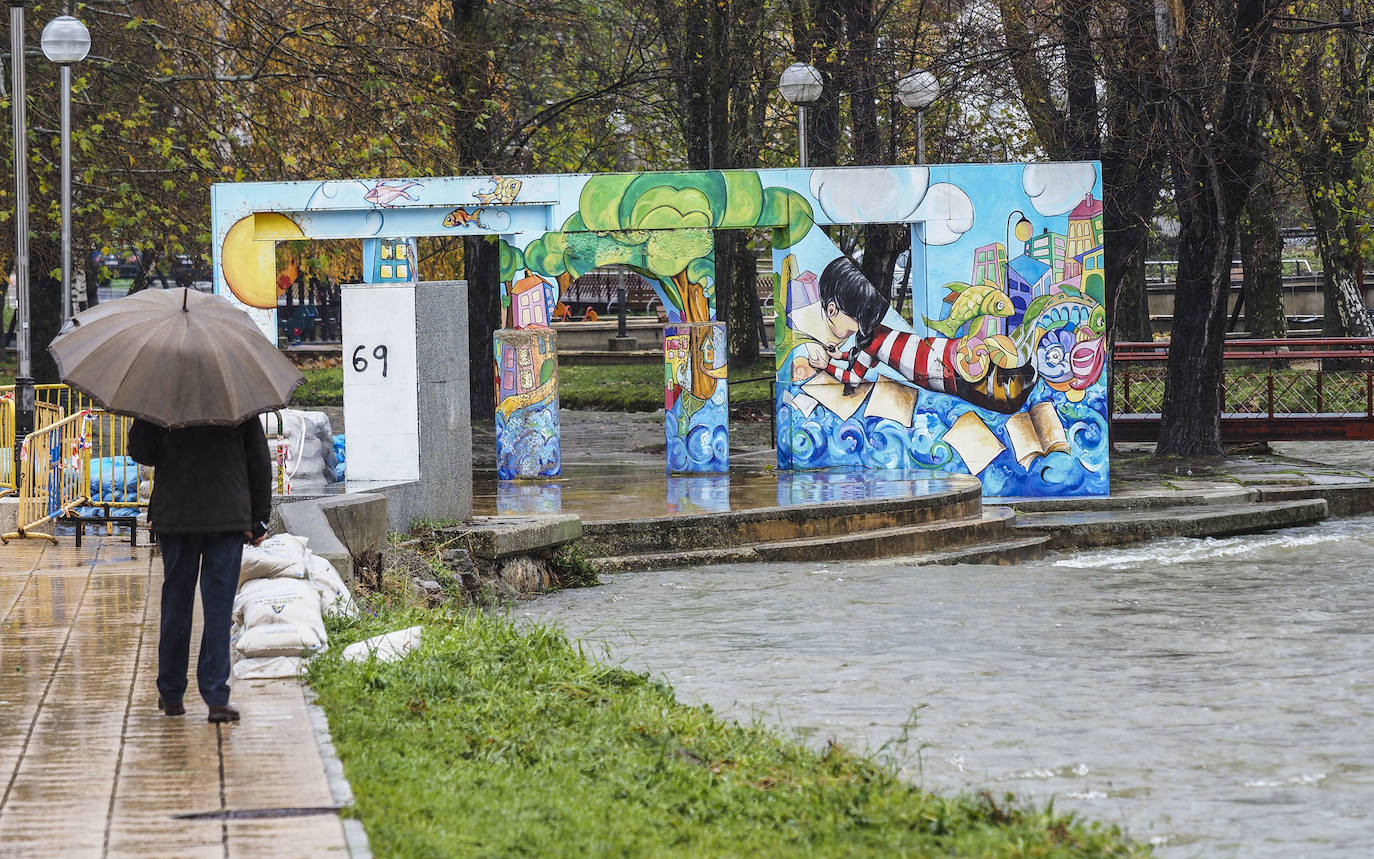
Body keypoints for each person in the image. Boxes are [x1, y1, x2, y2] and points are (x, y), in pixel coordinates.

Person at [129, 417, 272, 723]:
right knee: (218, 607)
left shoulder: (162, 396)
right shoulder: (235, 396)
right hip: (227, 514)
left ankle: (171, 693)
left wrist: (144, 418)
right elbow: (258, 458)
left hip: (177, 515)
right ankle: (216, 697)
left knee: (176, 604)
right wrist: (259, 517)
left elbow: (142, 453)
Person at [804, 256, 1036, 414]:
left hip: (938, 371)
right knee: (986, 375)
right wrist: (839, 356)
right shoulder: (875, 333)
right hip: (943, 350)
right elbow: (863, 360)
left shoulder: (870, 342)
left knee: (984, 389)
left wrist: (826, 366)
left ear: (833, 309)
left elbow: (854, 378)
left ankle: (1017, 386)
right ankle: (1023, 375)